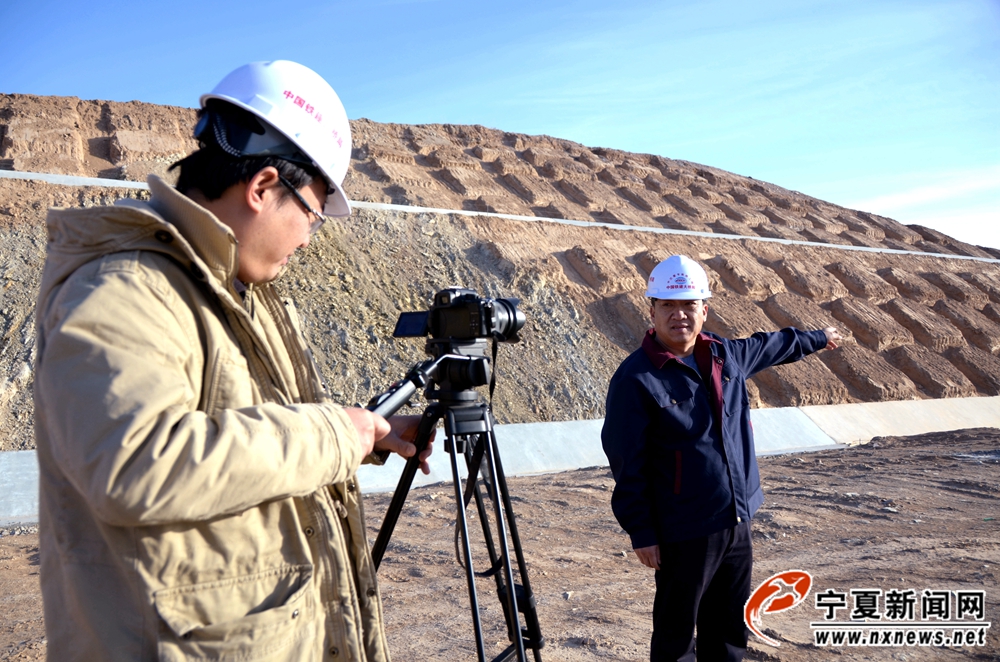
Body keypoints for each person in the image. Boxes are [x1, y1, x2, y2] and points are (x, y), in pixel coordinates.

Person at [33, 60, 430, 661]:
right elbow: (137, 464)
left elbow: (244, 425)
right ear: (264, 186)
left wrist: (367, 435)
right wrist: (331, 432)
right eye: (314, 216)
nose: (307, 238)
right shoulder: (124, 287)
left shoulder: (238, 287)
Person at [601, 254, 842, 661]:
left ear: (704, 309)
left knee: (729, 628)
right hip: (682, 528)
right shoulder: (636, 378)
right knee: (677, 634)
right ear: (652, 311)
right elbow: (627, 462)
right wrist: (642, 532)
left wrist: (818, 337)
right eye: (668, 306)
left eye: (689, 305)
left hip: (736, 519)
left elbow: (773, 345)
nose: (679, 315)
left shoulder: (724, 356)